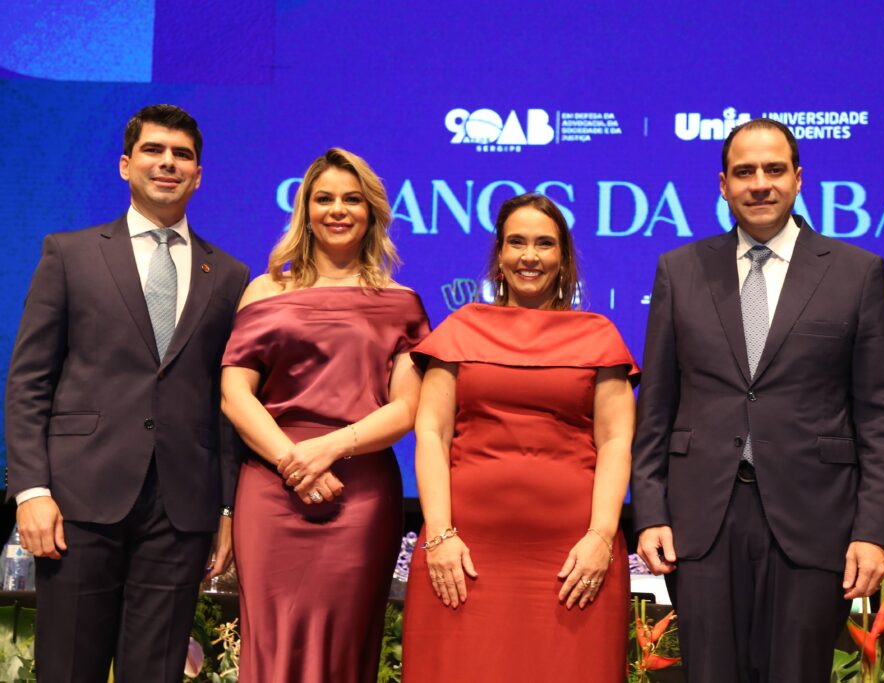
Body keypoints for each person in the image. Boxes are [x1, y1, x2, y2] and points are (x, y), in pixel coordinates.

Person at [631, 118, 884, 681]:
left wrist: (875, 531)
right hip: (702, 521)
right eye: (744, 172)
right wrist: (651, 511)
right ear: (723, 185)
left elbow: (882, 418)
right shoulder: (679, 271)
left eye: (774, 170)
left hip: (817, 519)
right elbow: (656, 406)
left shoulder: (858, 274)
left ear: (799, 178)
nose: (760, 184)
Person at [4, 104, 249, 682]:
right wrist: (31, 491)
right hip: (76, 502)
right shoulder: (70, 254)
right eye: (153, 150)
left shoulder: (229, 275)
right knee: (68, 669)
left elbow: (226, 402)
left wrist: (225, 509)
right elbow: (29, 381)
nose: (168, 163)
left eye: (182, 155)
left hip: (181, 509)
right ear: (125, 165)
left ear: (198, 175)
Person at [401, 193, 639, 682]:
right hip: (463, 553)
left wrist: (601, 537)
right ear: (500, 254)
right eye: (517, 242)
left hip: (574, 558)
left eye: (545, 244)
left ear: (563, 257)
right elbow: (431, 433)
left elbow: (616, 441)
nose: (530, 256)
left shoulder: (599, 337)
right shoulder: (460, 330)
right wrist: (440, 535)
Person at [220, 147, 429, 683]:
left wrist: (330, 448)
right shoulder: (264, 291)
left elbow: (408, 407)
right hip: (271, 489)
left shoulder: (401, 302)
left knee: (344, 647)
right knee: (271, 645)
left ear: (372, 212)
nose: (338, 210)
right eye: (324, 198)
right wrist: (294, 461)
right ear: (305, 210)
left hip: (359, 496)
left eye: (352, 199)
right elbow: (234, 394)